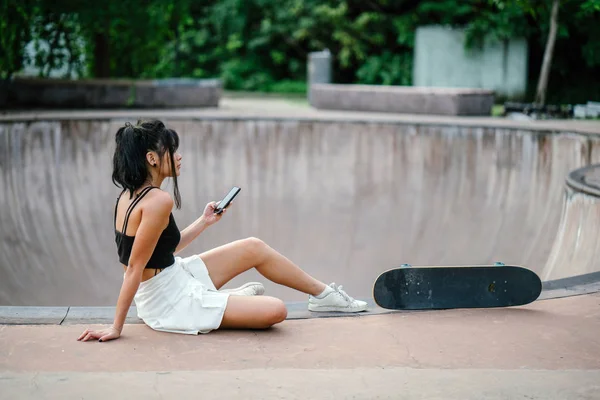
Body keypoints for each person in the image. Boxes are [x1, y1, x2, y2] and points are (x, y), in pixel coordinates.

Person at [77, 120, 367, 343]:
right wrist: (116, 326)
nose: (178, 157)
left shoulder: (130, 195)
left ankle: (325, 295)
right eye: (172, 151)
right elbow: (133, 269)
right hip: (168, 301)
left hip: (173, 276)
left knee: (253, 246)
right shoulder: (157, 201)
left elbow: (160, 252)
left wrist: (204, 222)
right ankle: (227, 298)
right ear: (152, 158)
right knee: (276, 310)